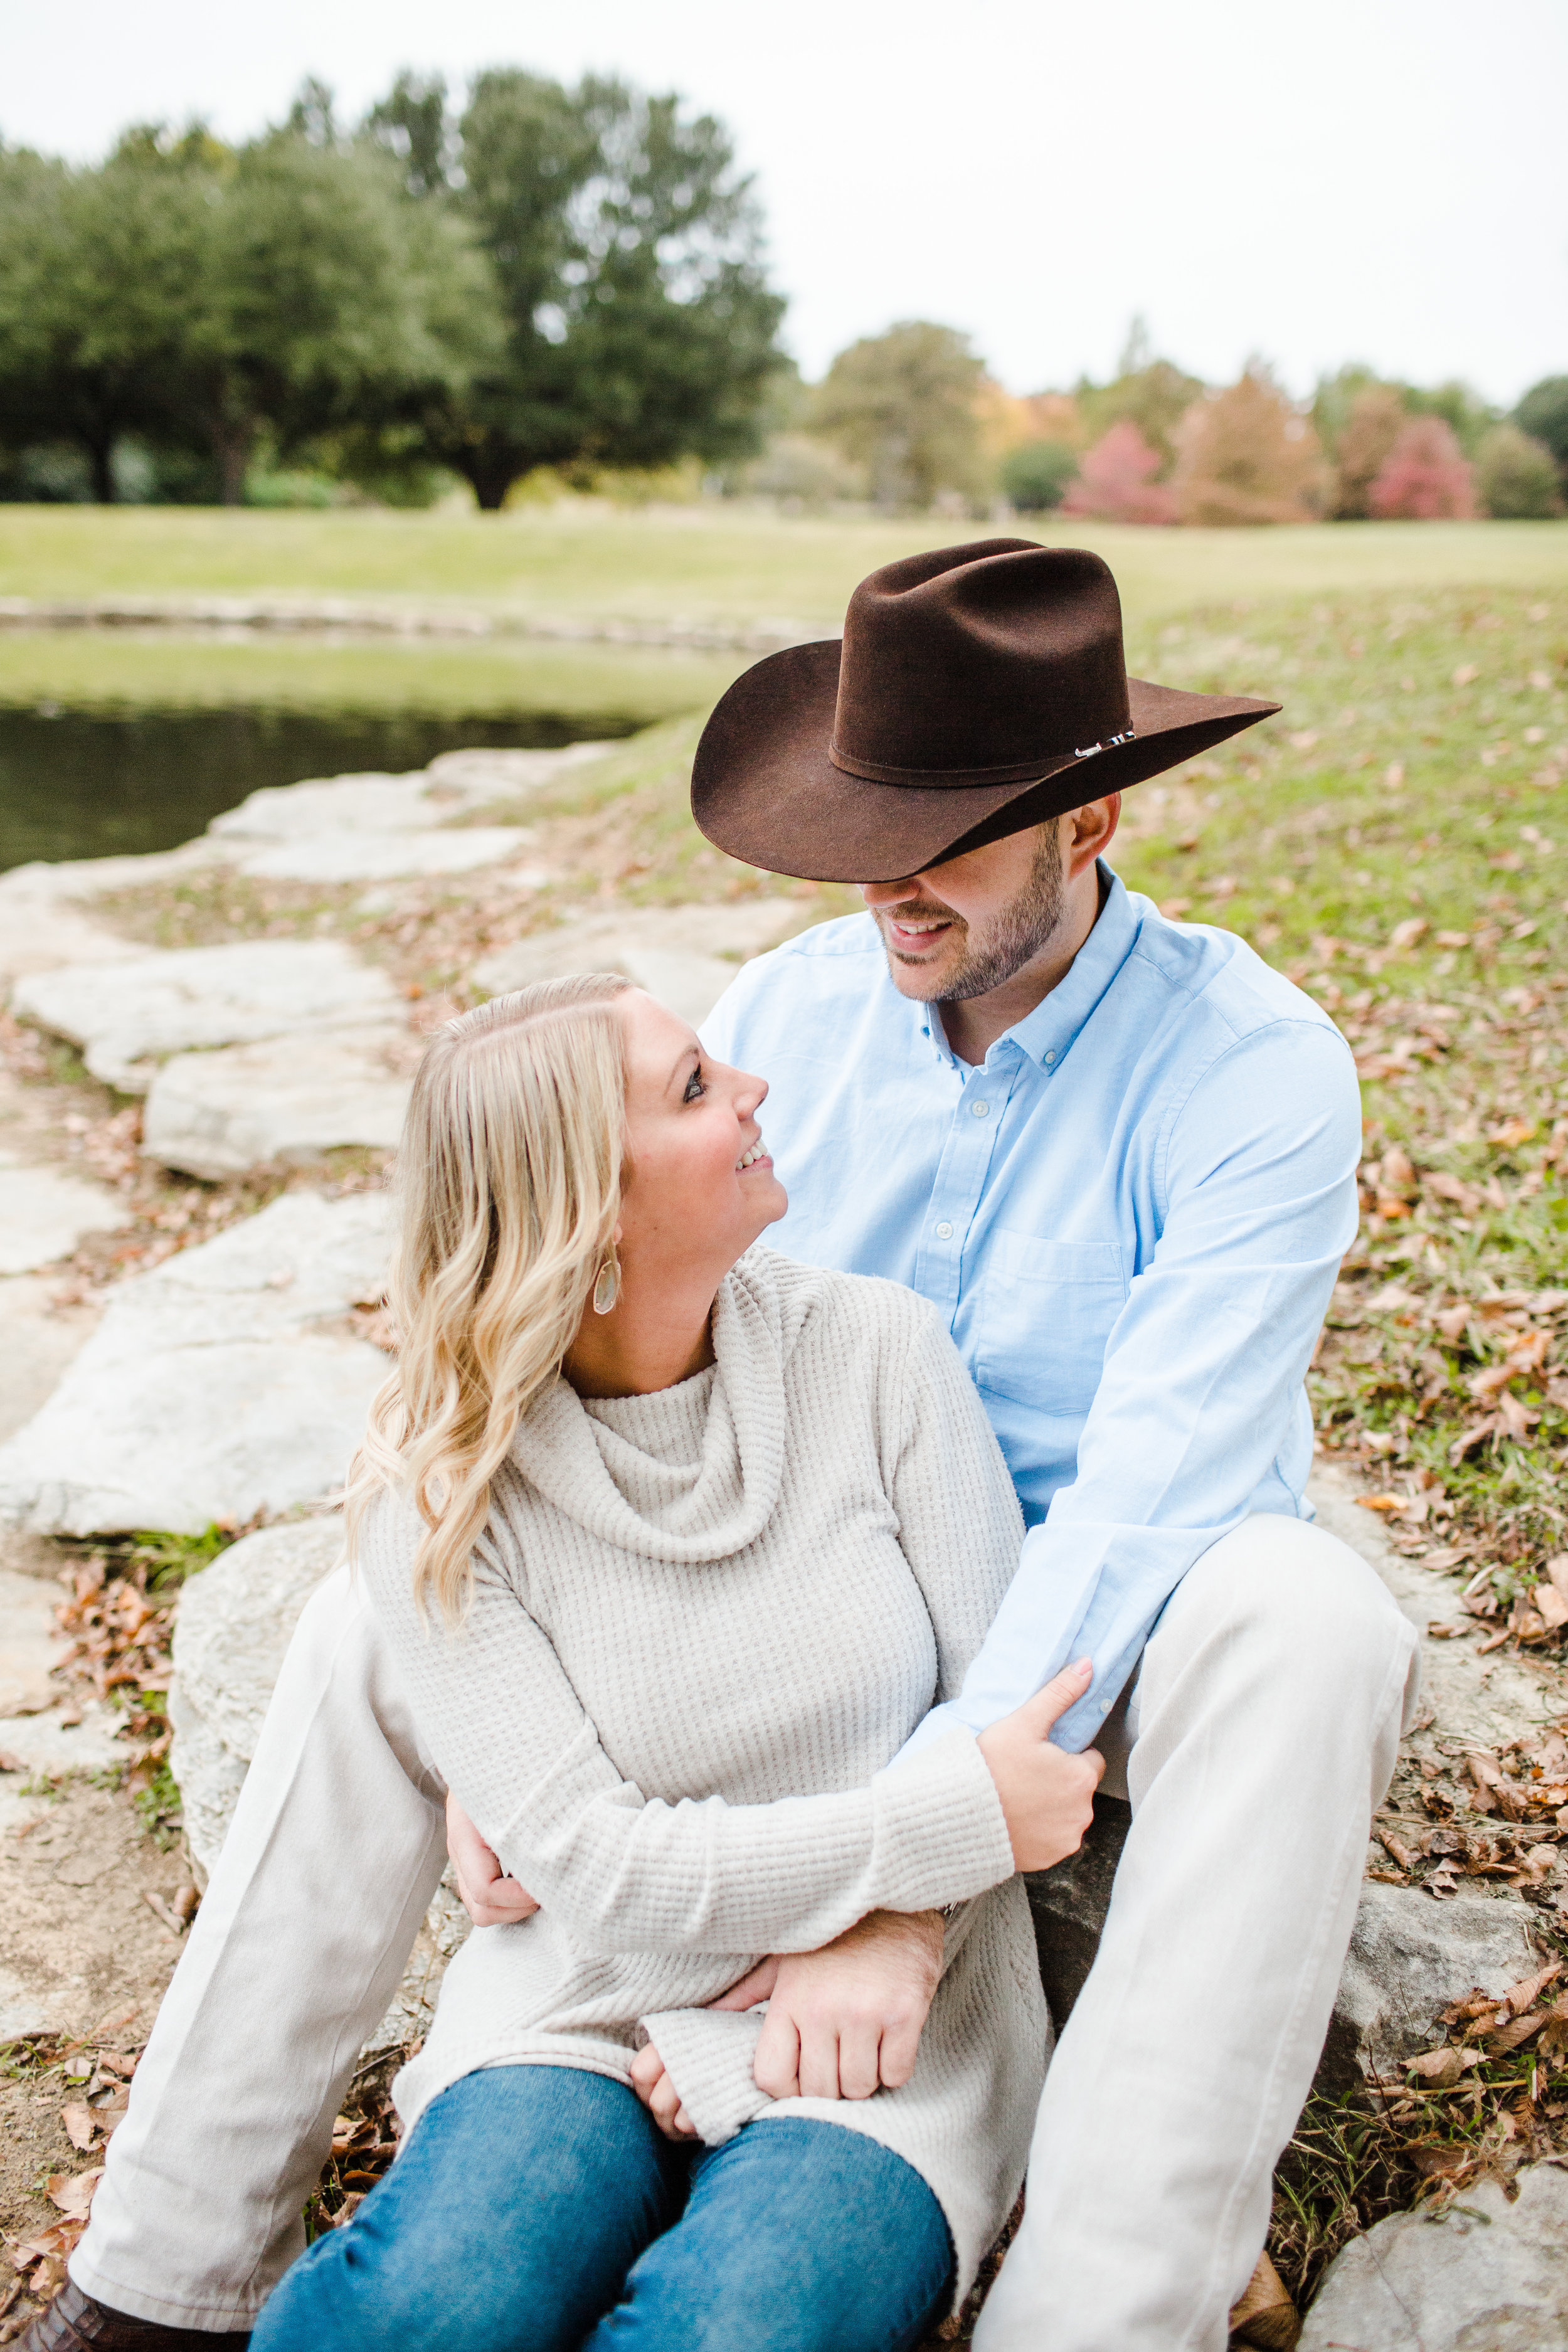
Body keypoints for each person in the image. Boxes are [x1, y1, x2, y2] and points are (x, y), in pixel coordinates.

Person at [46, 541, 1419, 2352]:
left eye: (942, 832)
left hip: (1106, 1609)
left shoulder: (1249, 1066)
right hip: (792, 1558)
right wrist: (512, 1711)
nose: (883, 882)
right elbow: (601, 1326)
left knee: (1308, 1617)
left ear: (1086, 830)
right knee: (363, 1618)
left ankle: (1093, 2308)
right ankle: (162, 2271)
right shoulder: (790, 1009)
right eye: (861, 822)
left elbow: (1146, 1498)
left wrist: (905, 1885)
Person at [236, 970, 1098, 2351]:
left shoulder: (880, 1355)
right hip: (580, 1997)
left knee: (738, 2330)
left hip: (881, 2025)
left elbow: (1001, 1717)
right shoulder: (440, 1484)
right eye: (696, 1088)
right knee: (422, 2310)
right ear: (589, 1223)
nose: (755, 1090)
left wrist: (899, 1903)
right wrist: (939, 1822)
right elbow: (602, 1871)